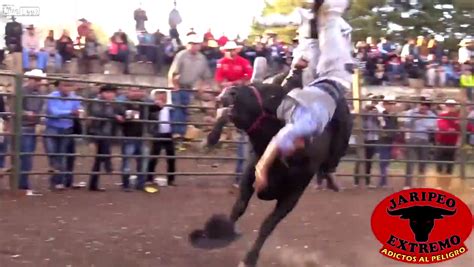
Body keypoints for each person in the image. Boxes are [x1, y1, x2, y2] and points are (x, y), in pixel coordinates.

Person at [254, 0, 354, 192]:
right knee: (270, 92)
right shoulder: (304, 15)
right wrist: (262, 21)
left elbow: (346, 51)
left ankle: (329, 168)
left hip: (325, 77)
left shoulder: (342, 26)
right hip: (304, 67)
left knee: (345, 121)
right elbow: (281, 19)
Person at [168, 34, 212, 142]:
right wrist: (174, 84)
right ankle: (177, 133)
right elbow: (174, 72)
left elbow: (205, 75)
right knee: (177, 107)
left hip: (189, 87)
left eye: (196, 44)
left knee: (184, 108)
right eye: (192, 43)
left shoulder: (202, 58)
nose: (194, 46)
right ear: (187, 45)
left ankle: (181, 133)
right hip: (178, 84)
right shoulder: (181, 55)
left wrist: (201, 86)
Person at [44, 80, 82, 190]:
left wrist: (77, 112)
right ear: (59, 86)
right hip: (52, 128)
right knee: (52, 153)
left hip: (66, 128)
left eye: (69, 85)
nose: (67, 88)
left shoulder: (74, 97)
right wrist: (70, 112)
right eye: (65, 85)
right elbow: (54, 112)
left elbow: (79, 110)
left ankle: (57, 181)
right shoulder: (52, 97)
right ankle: (56, 179)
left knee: (61, 155)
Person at [87, 85, 123, 191]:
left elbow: (120, 111)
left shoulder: (113, 103)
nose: (110, 95)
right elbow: (99, 113)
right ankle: (108, 165)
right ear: (102, 93)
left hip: (106, 133)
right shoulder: (97, 102)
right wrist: (115, 116)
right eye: (107, 93)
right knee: (100, 157)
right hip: (97, 133)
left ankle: (94, 182)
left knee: (99, 159)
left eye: (112, 93)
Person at [147, 91, 176, 186]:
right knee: (154, 157)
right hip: (157, 134)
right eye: (159, 95)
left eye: (164, 95)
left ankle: (171, 179)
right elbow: (149, 116)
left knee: (171, 157)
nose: (162, 97)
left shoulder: (170, 107)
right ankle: (149, 178)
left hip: (168, 134)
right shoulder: (153, 107)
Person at [435, 99, 460, 175]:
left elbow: (464, 125)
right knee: (440, 160)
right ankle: (439, 176)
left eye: (452, 106)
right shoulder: (442, 115)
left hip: (452, 142)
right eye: (449, 106)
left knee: (450, 161)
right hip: (442, 141)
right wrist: (448, 129)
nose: (450, 107)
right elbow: (441, 124)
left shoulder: (458, 116)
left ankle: (448, 177)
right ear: (446, 106)